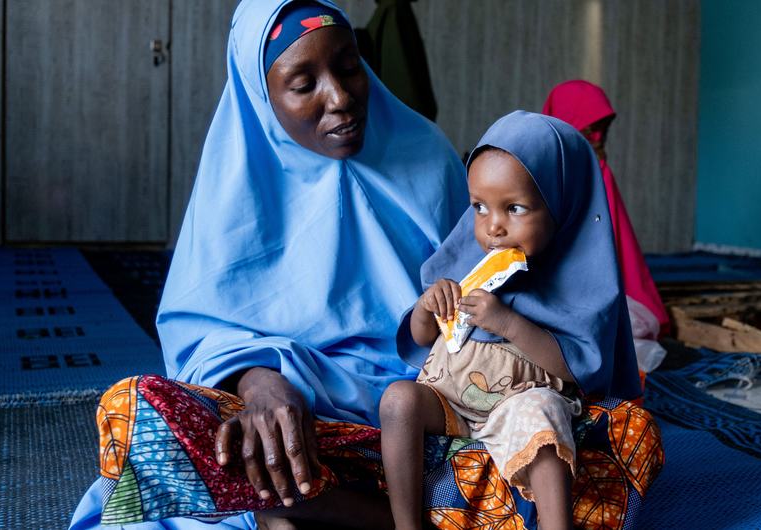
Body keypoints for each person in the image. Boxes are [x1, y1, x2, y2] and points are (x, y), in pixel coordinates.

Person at [68, 1, 467, 528]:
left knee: (548, 437)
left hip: (414, 417)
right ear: (262, 95)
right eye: (304, 84)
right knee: (135, 405)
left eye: (349, 68)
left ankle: (318, 510)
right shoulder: (233, 190)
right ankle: (357, 511)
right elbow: (201, 333)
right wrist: (258, 381)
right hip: (287, 423)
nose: (341, 97)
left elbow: (483, 296)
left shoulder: (429, 158)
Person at [379, 111, 641, 530]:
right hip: (449, 399)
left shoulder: (578, 281)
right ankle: (405, 524)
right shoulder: (467, 260)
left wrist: (507, 323)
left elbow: (578, 364)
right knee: (397, 400)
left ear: (563, 205)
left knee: (541, 420)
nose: (493, 227)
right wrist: (428, 307)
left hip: (517, 400)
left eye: (514, 208)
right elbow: (423, 338)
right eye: (479, 207)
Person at [543, 80, 670, 369]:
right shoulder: (546, 166)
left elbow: (613, 243)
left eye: (599, 129)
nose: (597, 138)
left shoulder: (597, 169)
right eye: (589, 128)